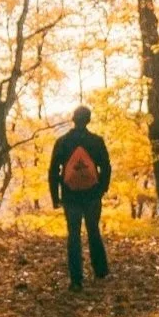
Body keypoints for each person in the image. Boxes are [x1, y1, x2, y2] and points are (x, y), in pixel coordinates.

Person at [48, 106, 113, 289]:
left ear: (73, 119)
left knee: (74, 235)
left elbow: (53, 170)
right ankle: (100, 271)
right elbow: (106, 167)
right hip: (92, 194)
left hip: (70, 196)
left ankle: (76, 280)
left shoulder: (62, 142)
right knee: (93, 230)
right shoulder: (96, 141)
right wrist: (102, 189)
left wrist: (55, 197)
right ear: (89, 120)